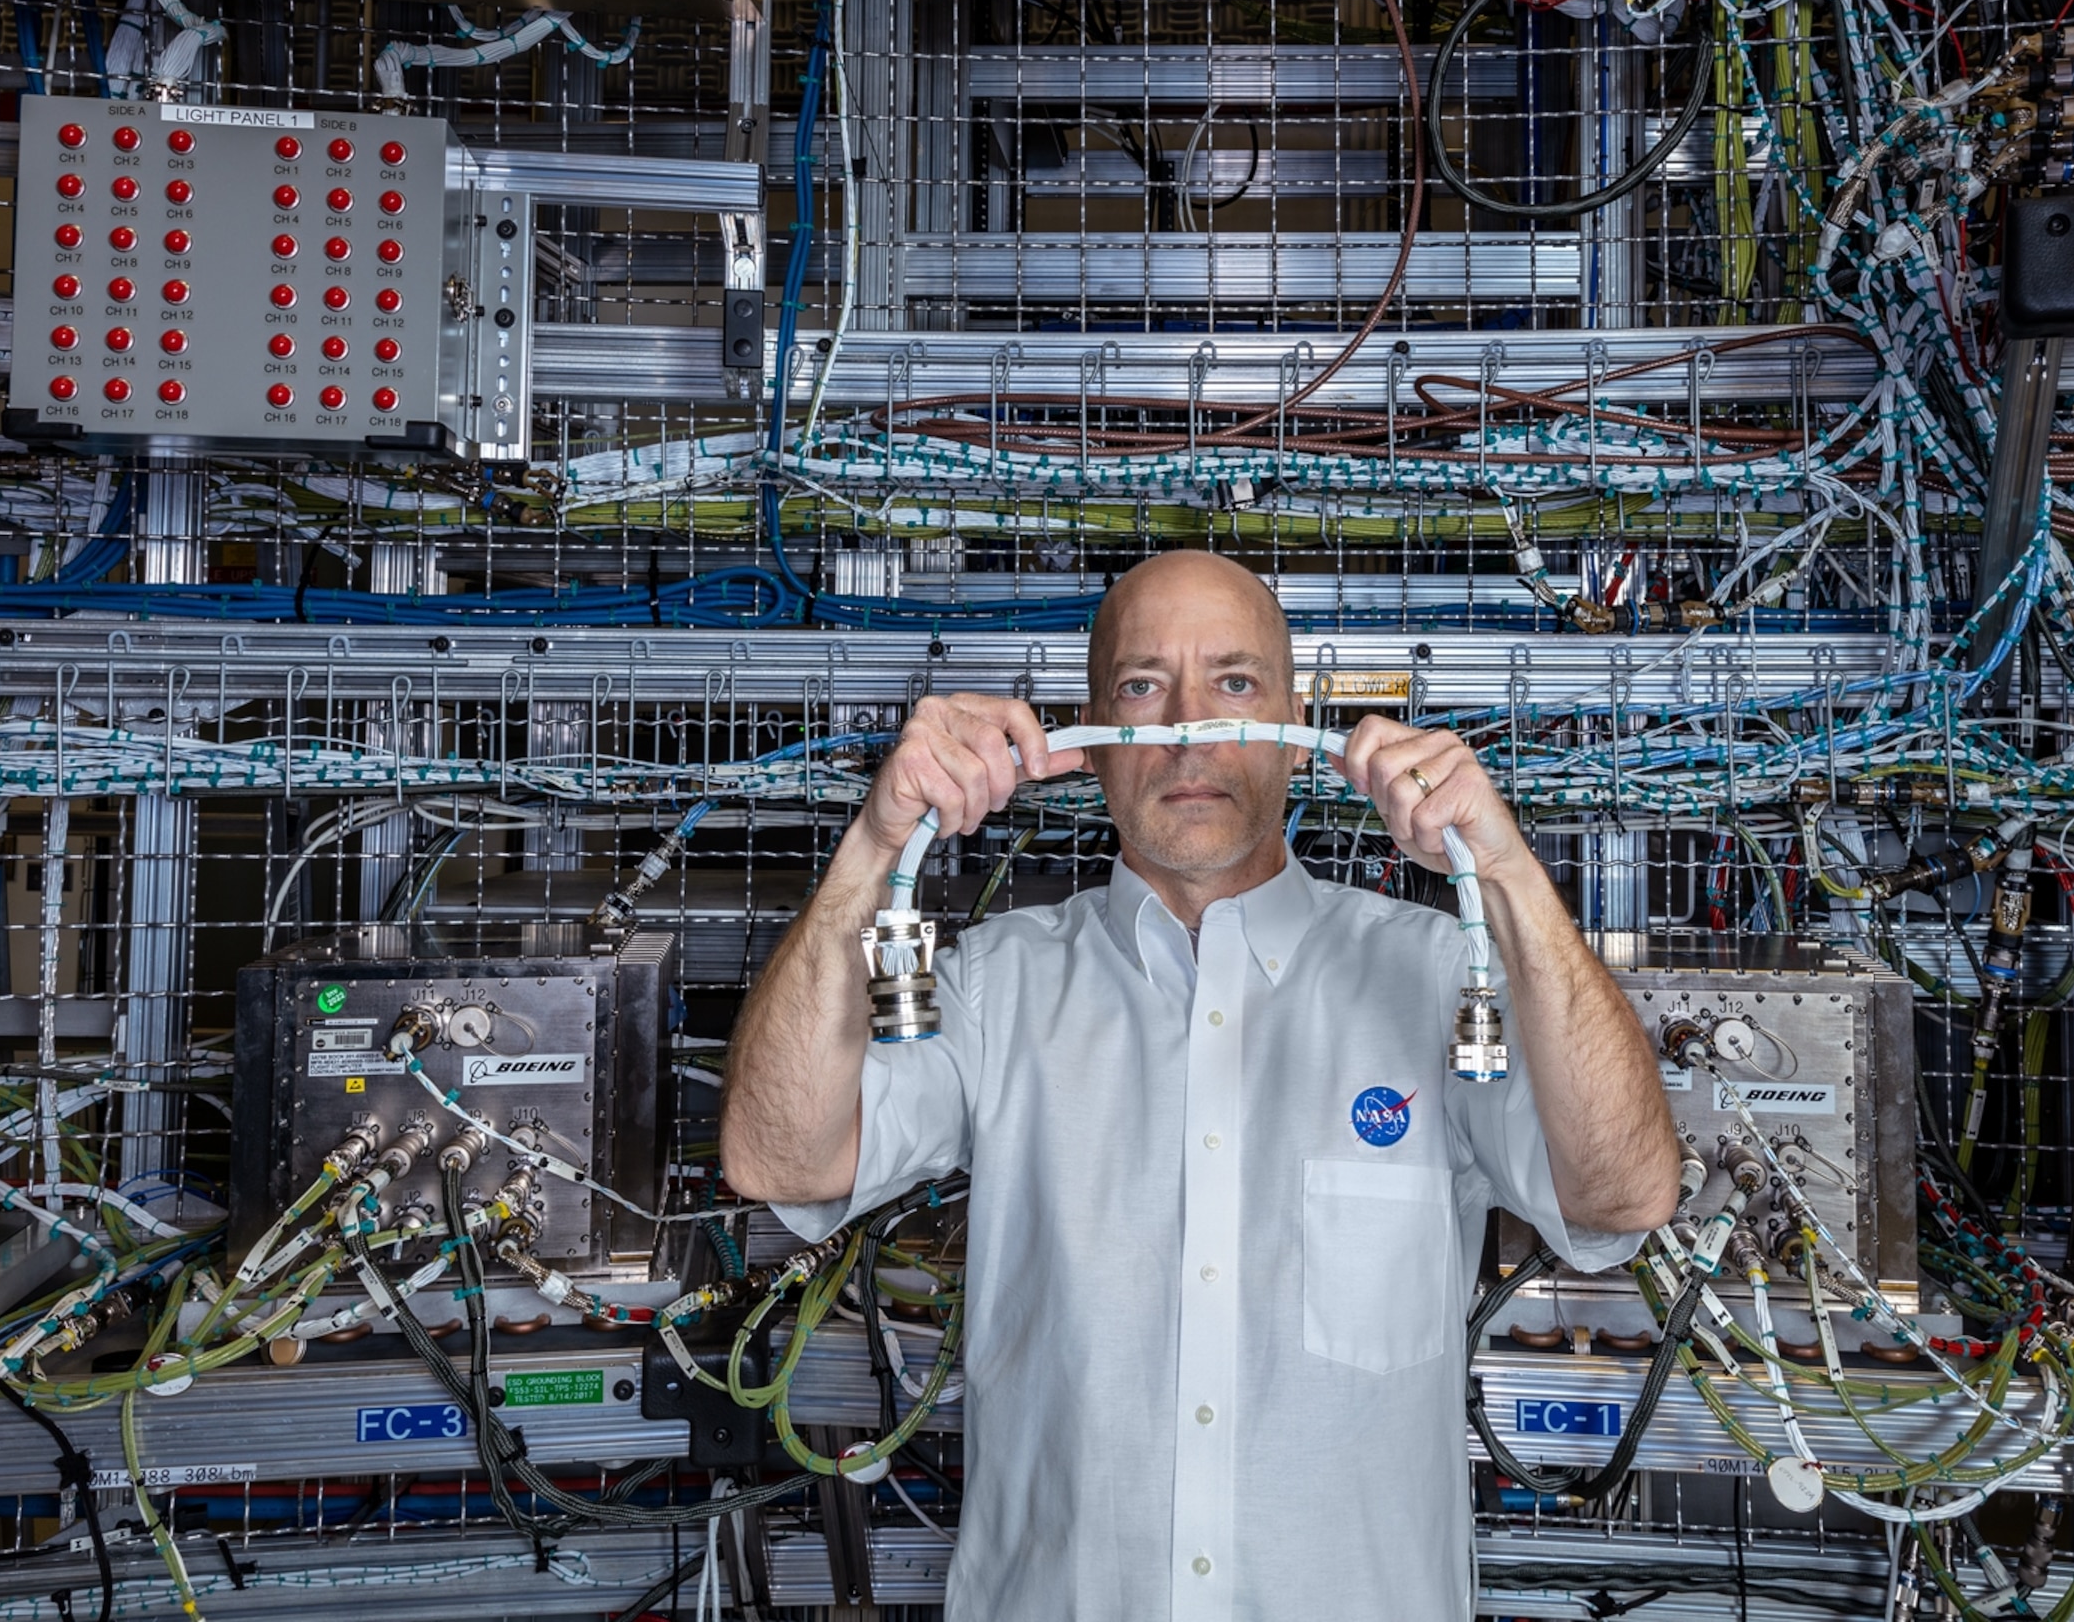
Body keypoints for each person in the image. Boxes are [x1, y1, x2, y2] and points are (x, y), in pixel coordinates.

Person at [722, 549, 1686, 1620]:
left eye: (1234, 682)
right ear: (1088, 735)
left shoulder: (1435, 976)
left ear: (1298, 717)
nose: (1186, 727)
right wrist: (873, 844)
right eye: (1142, 685)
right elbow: (781, 1155)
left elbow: (1621, 1193)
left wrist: (1504, 872)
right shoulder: (1000, 985)